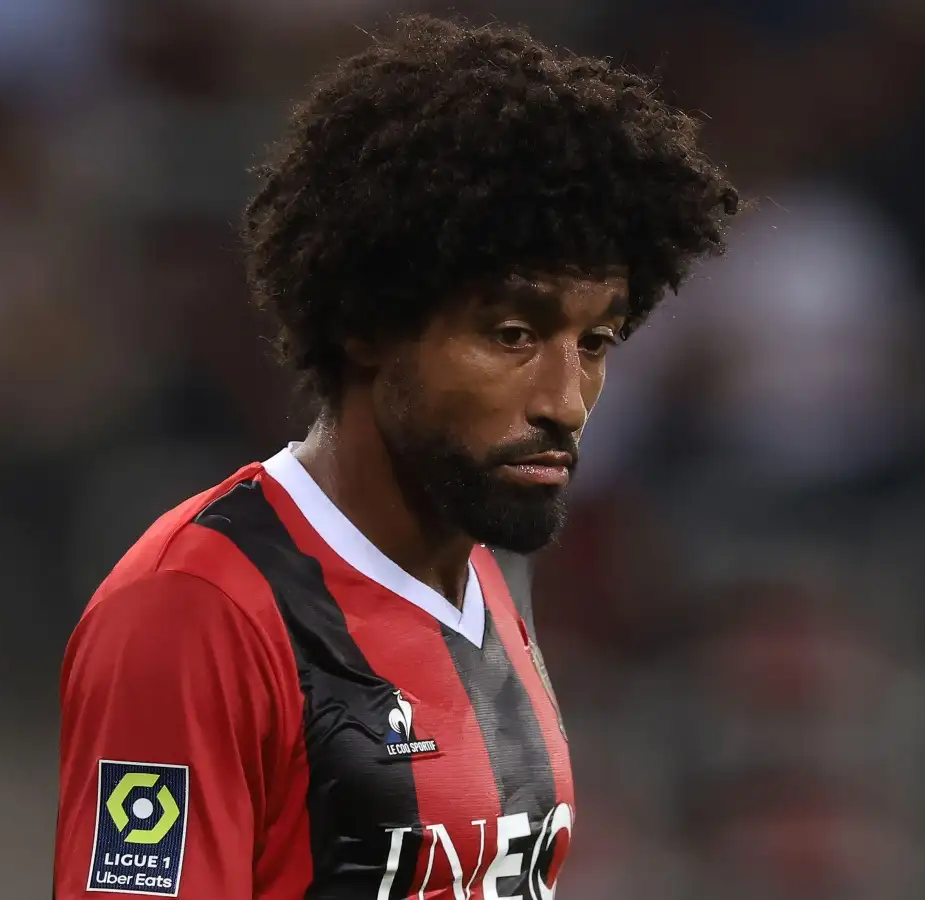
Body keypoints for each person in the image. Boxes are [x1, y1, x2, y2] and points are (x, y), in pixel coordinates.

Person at [52, 14, 739, 900]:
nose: (565, 400)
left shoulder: (489, 570)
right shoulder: (195, 610)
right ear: (368, 325)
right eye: (513, 334)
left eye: (596, 341)